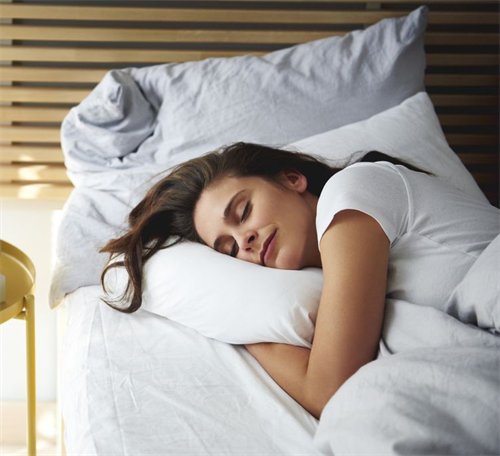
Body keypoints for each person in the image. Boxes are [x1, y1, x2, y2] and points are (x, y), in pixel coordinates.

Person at [100, 142, 500, 420]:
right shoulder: (331, 272)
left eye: (243, 211)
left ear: (292, 179)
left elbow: (329, 390)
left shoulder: (351, 192)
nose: (244, 240)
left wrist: (244, 332)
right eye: (229, 249)